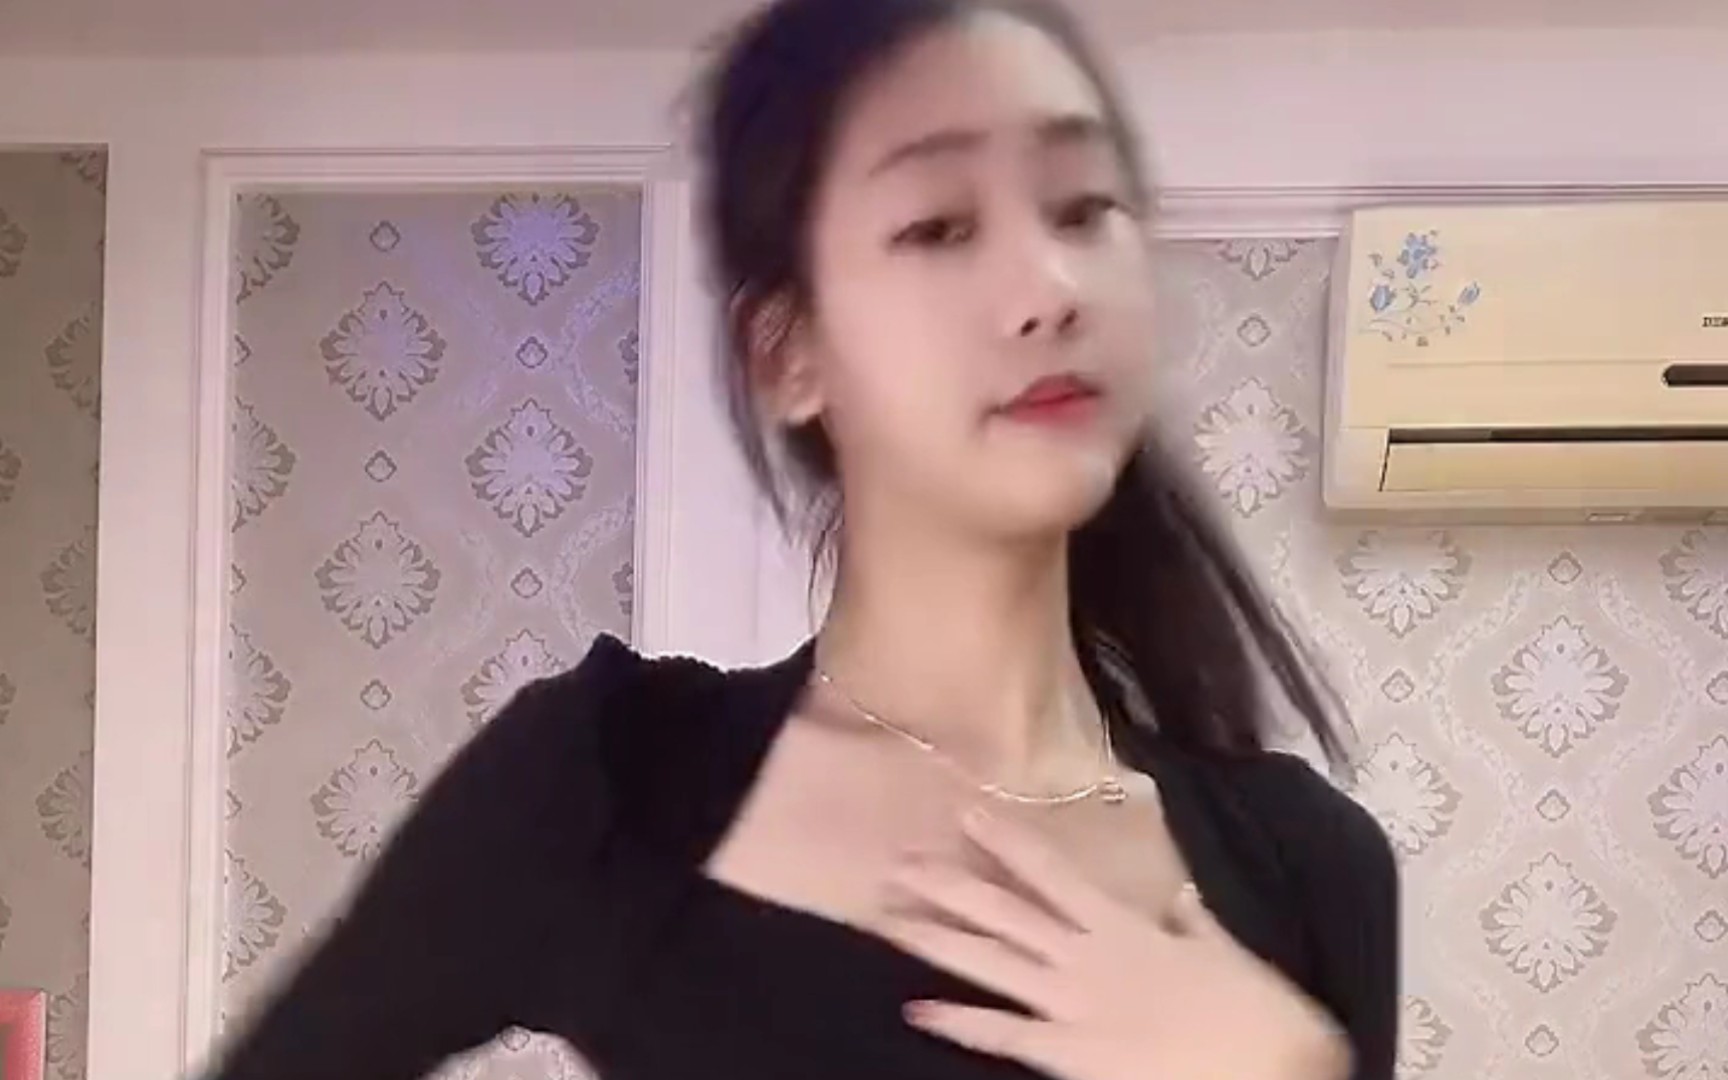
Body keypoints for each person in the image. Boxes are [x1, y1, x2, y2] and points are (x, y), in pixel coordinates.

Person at [200, 0, 1399, 1078]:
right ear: (788, 354)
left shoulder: (1311, 865)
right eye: (939, 226)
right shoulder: (610, 780)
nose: (1049, 287)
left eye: (1085, 208)